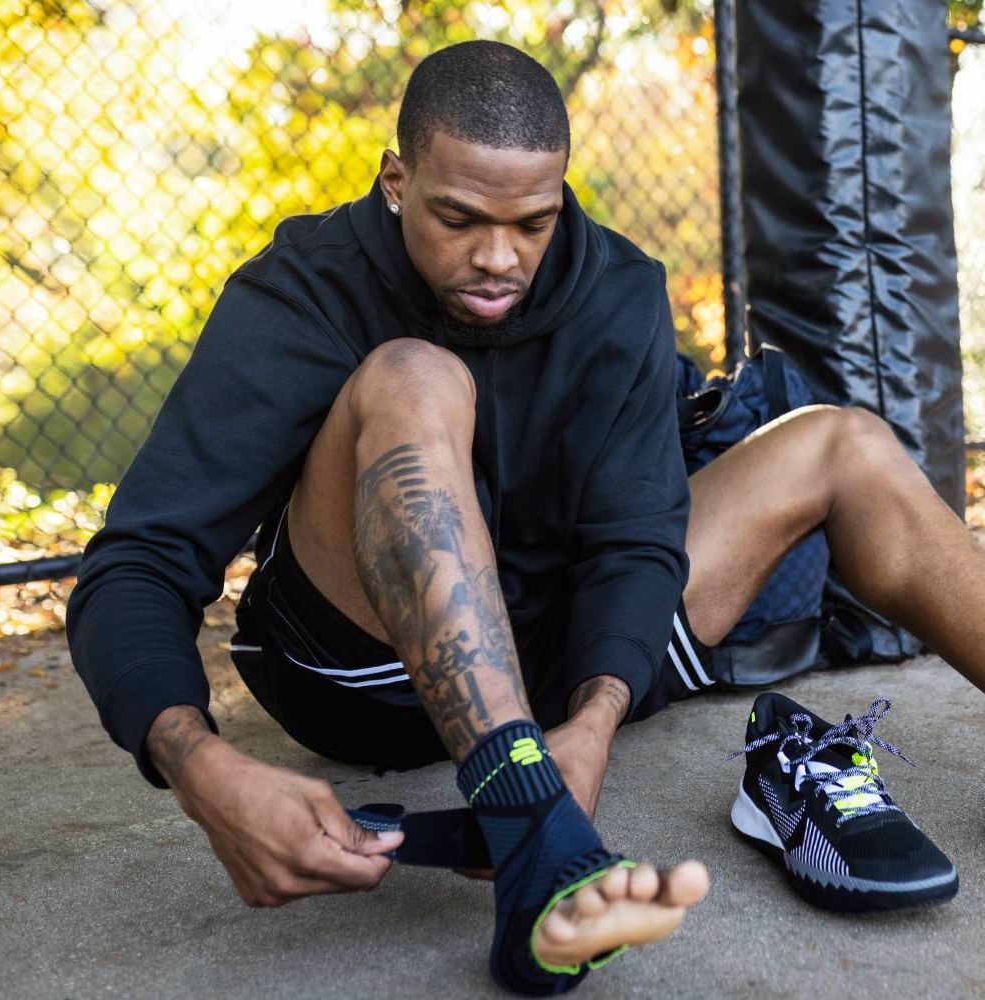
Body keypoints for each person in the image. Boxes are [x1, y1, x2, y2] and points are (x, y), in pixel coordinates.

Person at [66, 40, 985, 994]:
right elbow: (139, 559)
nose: (497, 257)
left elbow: (636, 541)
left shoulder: (619, 287)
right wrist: (196, 764)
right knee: (415, 373)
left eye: (532, 223)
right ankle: (534, 833)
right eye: (458, 218)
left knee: (846, 439)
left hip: (565, 657)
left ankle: (529, 801)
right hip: (370, 673)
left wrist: (594, 720)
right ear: (395, 178)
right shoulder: (302, 286)